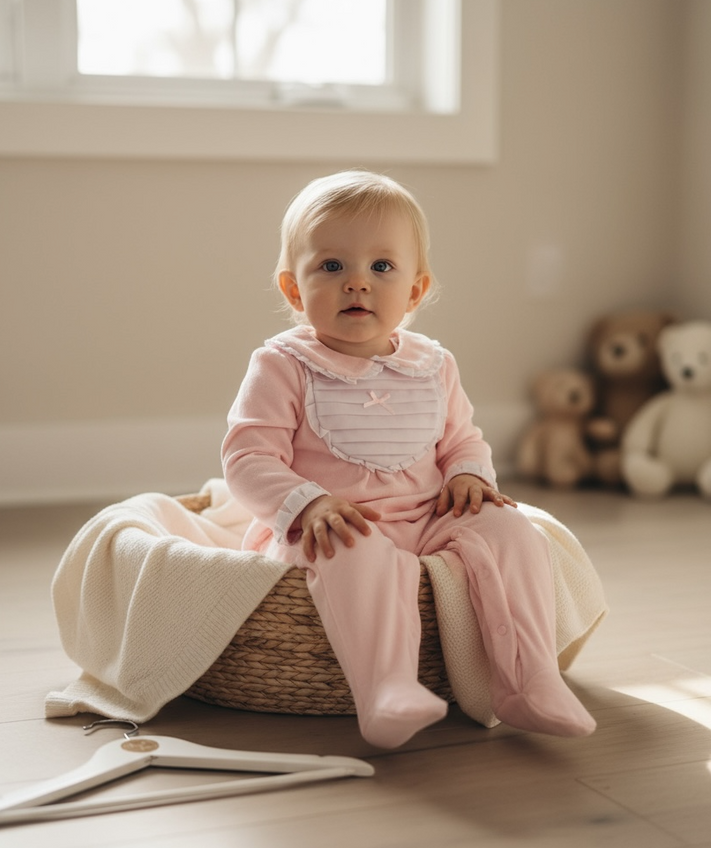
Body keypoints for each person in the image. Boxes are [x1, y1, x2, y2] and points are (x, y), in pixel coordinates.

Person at [222, 170, 597, 748]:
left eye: (381, 266)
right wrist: (309, 504)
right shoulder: (283, 364)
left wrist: (468, 474)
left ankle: (529, 678)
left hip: (427, 516)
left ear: (415, 292)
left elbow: (463, 439)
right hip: (333, 525)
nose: (357, 283)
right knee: (353, 548)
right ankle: (386, 689)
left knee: (512, 530)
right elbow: (247, 457)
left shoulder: (433, 365)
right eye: (331, 266)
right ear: (294, 290)